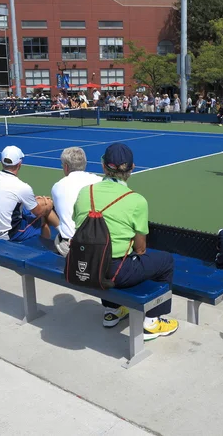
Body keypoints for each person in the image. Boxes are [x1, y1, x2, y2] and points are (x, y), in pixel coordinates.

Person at [72, 143, 179, 339]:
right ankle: (152, 321)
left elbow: (78, 224)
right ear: (132, 168)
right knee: (165, 261)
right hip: (115, 273)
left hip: (85, 266)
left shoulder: (84, 192)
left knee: (104, 254)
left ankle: (112, 311)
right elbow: (140, 248)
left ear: (103, 166)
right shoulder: (136, 200)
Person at [0, 146, 59, 242]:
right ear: (19, 164)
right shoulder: (22, 187)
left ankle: (64, 235)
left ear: (2, 162)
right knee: (44, 217)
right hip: (10, 233)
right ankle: (57, 241)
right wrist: (49, 204)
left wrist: (35, 200)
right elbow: (39, 212)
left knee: (40, 203)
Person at [51, 147, 102, 256]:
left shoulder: (57, 187)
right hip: (99, 244)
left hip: (71, 247)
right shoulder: (100, 181)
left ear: (66, 167)